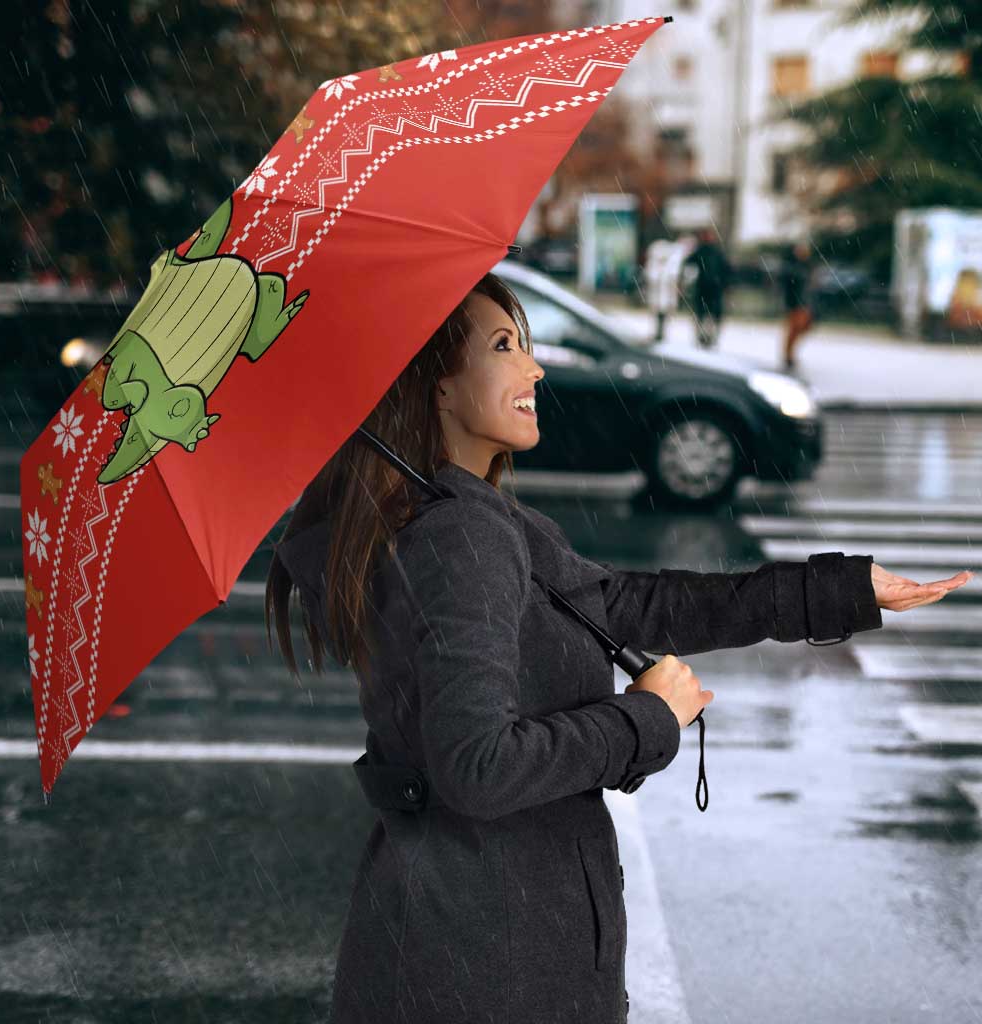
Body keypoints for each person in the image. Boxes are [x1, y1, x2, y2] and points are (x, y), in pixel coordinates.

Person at [265, 271, 934, 1024]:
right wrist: (646, 720)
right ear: (437, 386)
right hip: (489, 965)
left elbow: (627, 605)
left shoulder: (459, 520)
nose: (534, 368)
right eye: (504, 346)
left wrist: (838, 590)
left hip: (459, 942)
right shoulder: (461, 536)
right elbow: (478, 767)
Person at [682, 226, 732, 349]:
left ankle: (709, 337)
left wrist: (725, 284)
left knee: (709, 315)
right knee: (704, 314)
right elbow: (688, 263)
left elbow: (726, 270)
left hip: (712, 289)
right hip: (706, 288)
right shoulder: (704, 251)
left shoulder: (714, 252)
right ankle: (703, 337)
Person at [780, 239, 816, 370]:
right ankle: (788, 355)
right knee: (794, 329)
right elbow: (789, 286)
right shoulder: (792, 267)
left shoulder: (806, 266)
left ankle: (789, 354)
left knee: (802, 327)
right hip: (795, 303)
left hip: (804, 303)